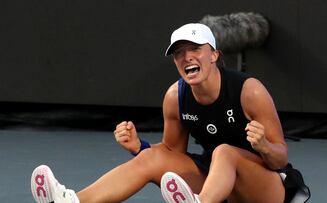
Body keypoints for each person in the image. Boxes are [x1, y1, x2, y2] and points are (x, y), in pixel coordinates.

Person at [31, 23, 310, 203]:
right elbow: (172, 155)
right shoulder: (175, 97)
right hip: (220, 185)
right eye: (178, 53)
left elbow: (280, 158)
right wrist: (138, 147)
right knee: (153, 156)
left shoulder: (250, 91)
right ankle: (72, 201)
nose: (186, 57)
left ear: (214, 55)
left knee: (225, 152)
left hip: (269, 189)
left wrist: (262, 145)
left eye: (194, 49)